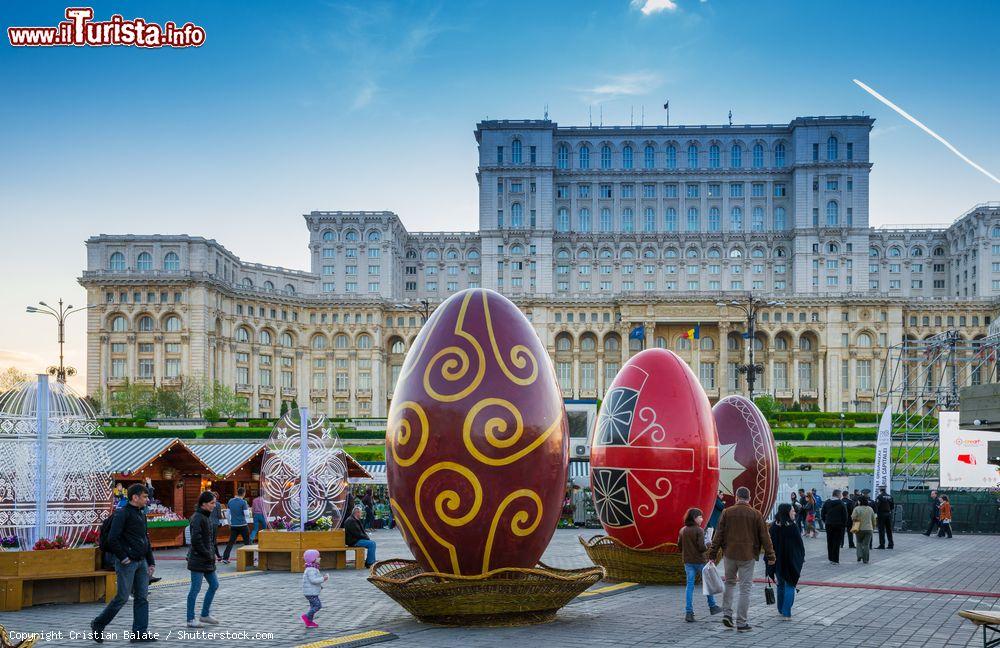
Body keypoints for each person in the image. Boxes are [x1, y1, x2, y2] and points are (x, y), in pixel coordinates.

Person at [91, 484, 156, 643]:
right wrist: (123, 557)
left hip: (141, 562)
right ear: (135, 497)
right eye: (145, 497)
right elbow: (113, 538)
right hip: (127, 563)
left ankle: (140, 632)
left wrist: (151, 561)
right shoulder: (122, 513)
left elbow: (145, 539)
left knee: (142, 597)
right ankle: (98, 623)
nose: (147, 500)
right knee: (122, 597)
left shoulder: (141, 514)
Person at [710, 486, 776, 633]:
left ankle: (727, 614)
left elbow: (718, 534)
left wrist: (712, 554)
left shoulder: (727, 512)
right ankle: (741, 622)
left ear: (736, 498)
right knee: (745, 588)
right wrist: (771, 555)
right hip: (747, 556)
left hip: (730, 554)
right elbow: (765, 537)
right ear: (749, 498)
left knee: (730, 583)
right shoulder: (756, 514)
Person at [678, 507, 721, 622]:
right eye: (700, 516)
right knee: (707, 583)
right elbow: (702, 548)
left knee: (689, 586)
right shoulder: (699, 530)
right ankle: (712, 606)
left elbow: (679, 547)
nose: (702, 519)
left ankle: (689, 612)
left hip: (687, 562)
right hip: (699, 561)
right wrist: (708, 543)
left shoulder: (683, 530)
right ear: (695, 518)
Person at [186, 491, 220, 628]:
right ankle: (190, 619)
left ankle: (204, 614)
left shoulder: (206, 517)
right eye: (212, 503)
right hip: (198, 559)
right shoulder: (198, 517)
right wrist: (208, 554)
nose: (214, 505)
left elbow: (210, 540)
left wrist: (213, 555)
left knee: (214, 584)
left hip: (207, 559)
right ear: (204, 504)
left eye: (214, 503)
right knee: (195, 589)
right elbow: (196, 540)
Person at [767, 503, 804, 618]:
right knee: (790, 585)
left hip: (777, 562)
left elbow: (769, 545)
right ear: (787, 512)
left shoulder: (774, 526)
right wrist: (800, 558)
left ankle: (781, 609)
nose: (794, 512)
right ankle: (786, 611)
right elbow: (799, 546)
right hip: (790, 562)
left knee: (781, 585)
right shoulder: (792, 527)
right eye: (792, 511)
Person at [221, 487, 251, 564]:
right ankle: (249, 559)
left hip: (234, 525)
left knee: (231, 542)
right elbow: (247, 514)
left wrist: (229, 523)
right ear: (244, 493)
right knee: (247, 542)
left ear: (237, 492)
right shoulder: (243, 502)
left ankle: (225, 557)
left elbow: (227, 514)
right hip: (243, 524)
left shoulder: (230, 501)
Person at [300, 549, 328, 628]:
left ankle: (309, 622)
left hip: (311, 592)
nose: (320, 558)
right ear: (313, 559)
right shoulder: (311, 569)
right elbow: (313, 580)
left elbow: (312, 581)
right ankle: (306, 616)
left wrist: (320, 586)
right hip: (310, 593)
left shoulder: (312, 568)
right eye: (318, 557)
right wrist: (323, 579)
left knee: (313, 606)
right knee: (318, 606)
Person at [821, 489, 848, 564]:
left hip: (829, 524)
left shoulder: (827, 502)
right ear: (838, 495)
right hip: (838, 525)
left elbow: (822, 513)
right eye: (840, 494)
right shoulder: (841, 503)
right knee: (837, 542)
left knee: (830, 541)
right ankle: (835, 559)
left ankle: (830, 558)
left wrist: (825, 521)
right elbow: (845, 515)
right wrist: (844, 525)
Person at [851, 495, 877, 564]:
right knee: (866, 545)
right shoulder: (870, 509)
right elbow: (873, 519)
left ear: (859, 501)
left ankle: (859, 555)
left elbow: (853, 517)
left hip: (859, 528)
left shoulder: (857, 509)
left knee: (859, 543)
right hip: (869, 529)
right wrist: (873, 527)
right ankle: (865, 560)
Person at [209, 491, 223, 561]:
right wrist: (221, 522)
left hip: (208, 522)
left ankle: (216, 555)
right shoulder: (218, 504)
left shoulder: (208, 504)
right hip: (215, 523)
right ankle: (217, 555)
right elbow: (219, 515)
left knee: (210, 539)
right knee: (213, 540)